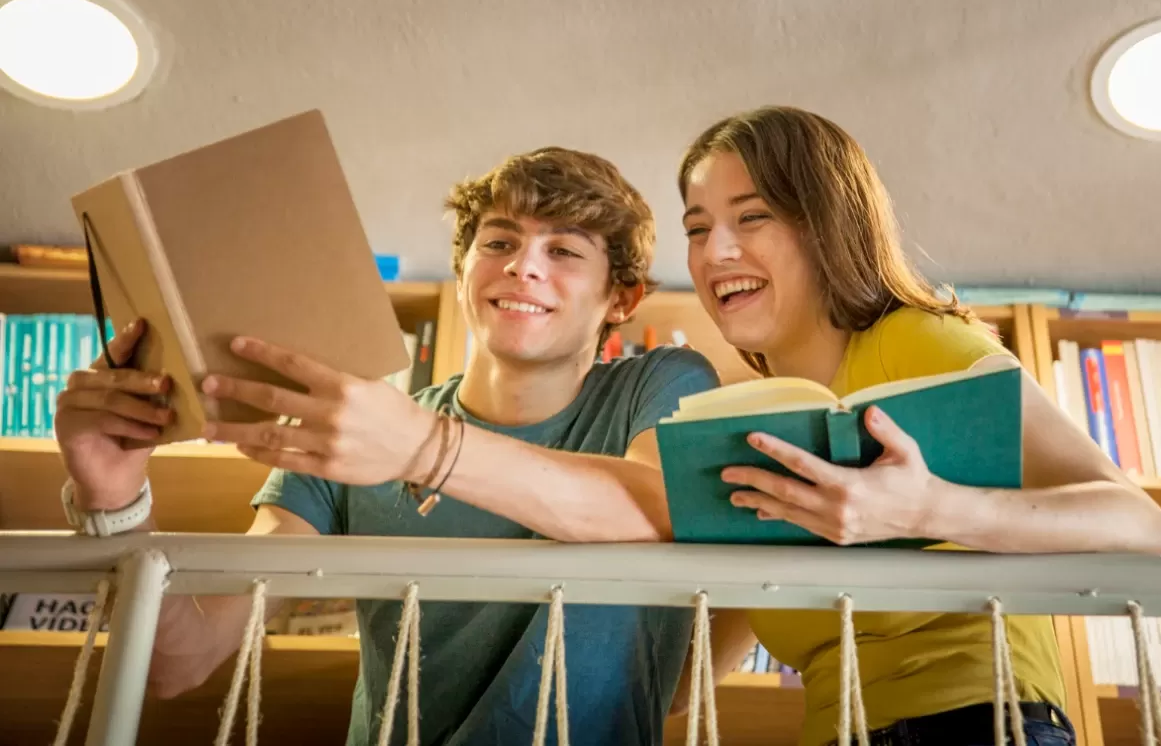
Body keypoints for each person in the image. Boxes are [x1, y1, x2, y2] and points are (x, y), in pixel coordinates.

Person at [54, 146, 723, 746]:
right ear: (464, 269)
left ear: (622, 298)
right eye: (499, 242)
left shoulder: (663, 382)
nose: (523, 267)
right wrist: (112, 496)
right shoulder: (356, 431)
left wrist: (419, 448)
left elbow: (653, 510)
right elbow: (182, 659)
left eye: (565, 251)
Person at [677, 106, 1161, 746]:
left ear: (824, 225)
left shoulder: (918, 340)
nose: (716, 251)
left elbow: (1141, 524)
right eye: (697, 229)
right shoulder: (744, 426)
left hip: (985, 722)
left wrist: (929, 510)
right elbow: (683, 687)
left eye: (752, 217)